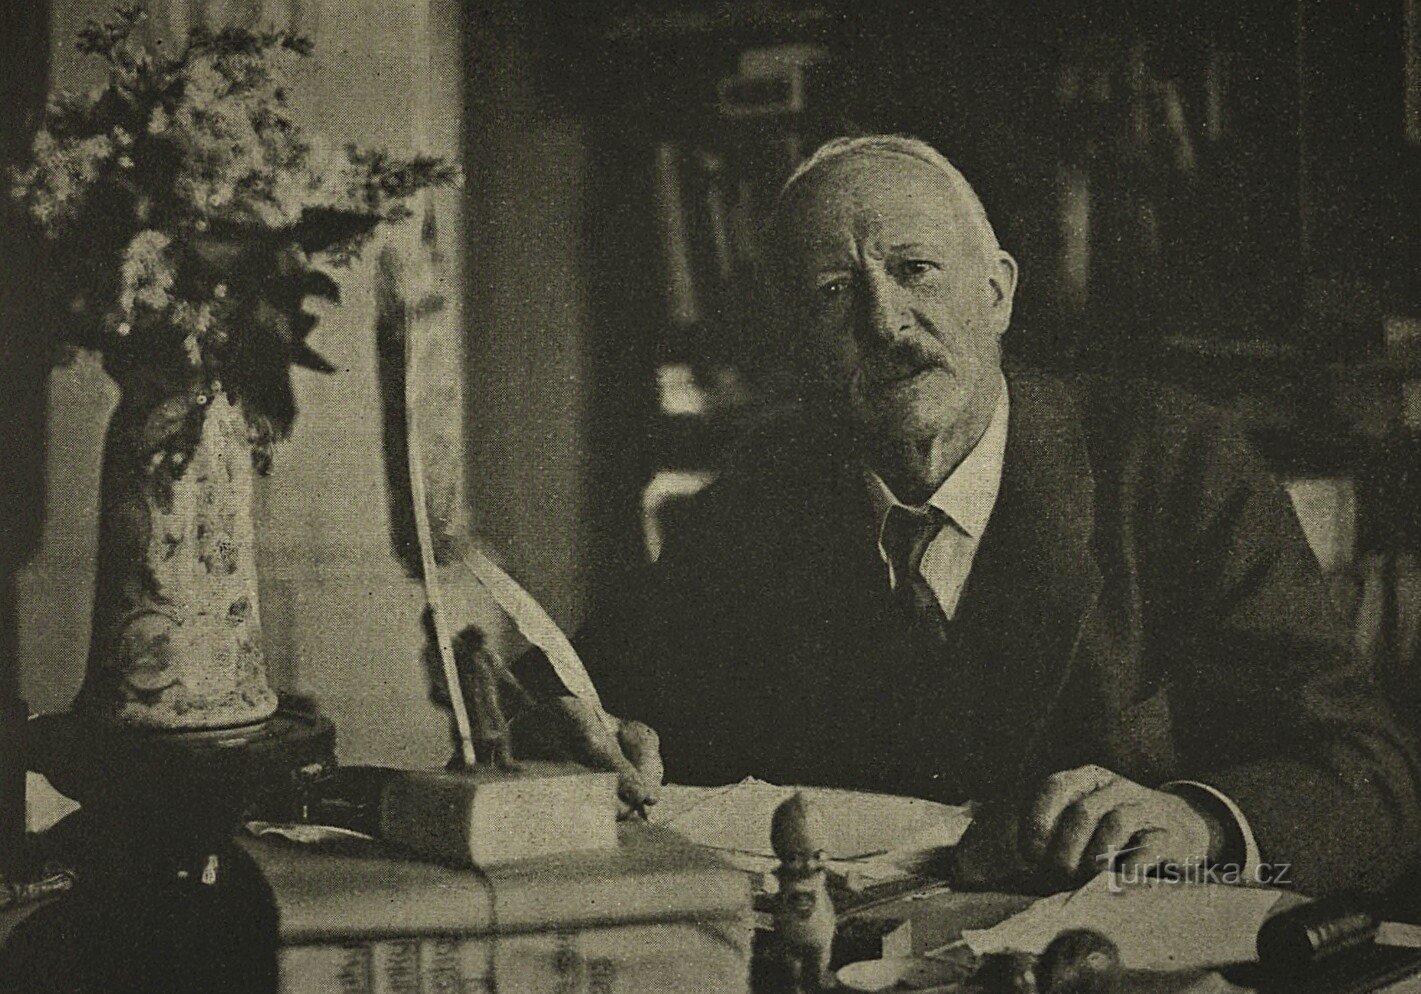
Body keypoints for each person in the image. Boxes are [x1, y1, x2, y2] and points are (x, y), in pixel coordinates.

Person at [549, 135, 1421, 897]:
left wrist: (1202, 824)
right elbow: (576, 699)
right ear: (793, 346)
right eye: (832, 292)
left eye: (914, 270)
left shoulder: (1174, 462)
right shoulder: (766, 490)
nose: (885, 322)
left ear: (996, 293)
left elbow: (1370, 777)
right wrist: (588, 739)